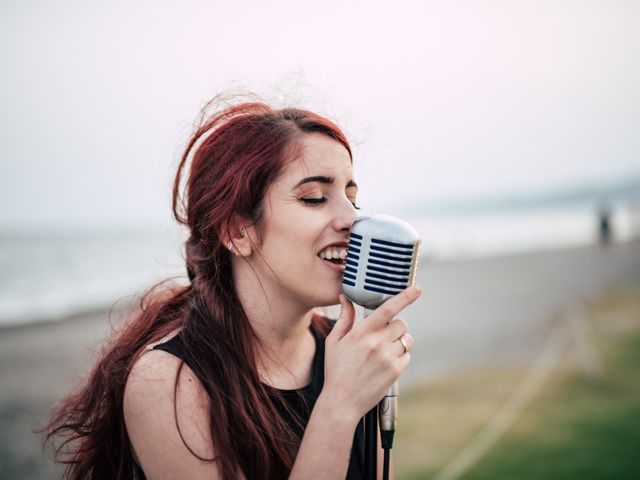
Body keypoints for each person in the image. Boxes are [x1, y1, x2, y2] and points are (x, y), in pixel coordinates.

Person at [45, 98, 421, 479]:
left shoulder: (347, 355)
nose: (352, 219)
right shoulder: (169, 381)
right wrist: (339, 406)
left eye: (352, 199)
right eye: (314, 198)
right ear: (237, 231)